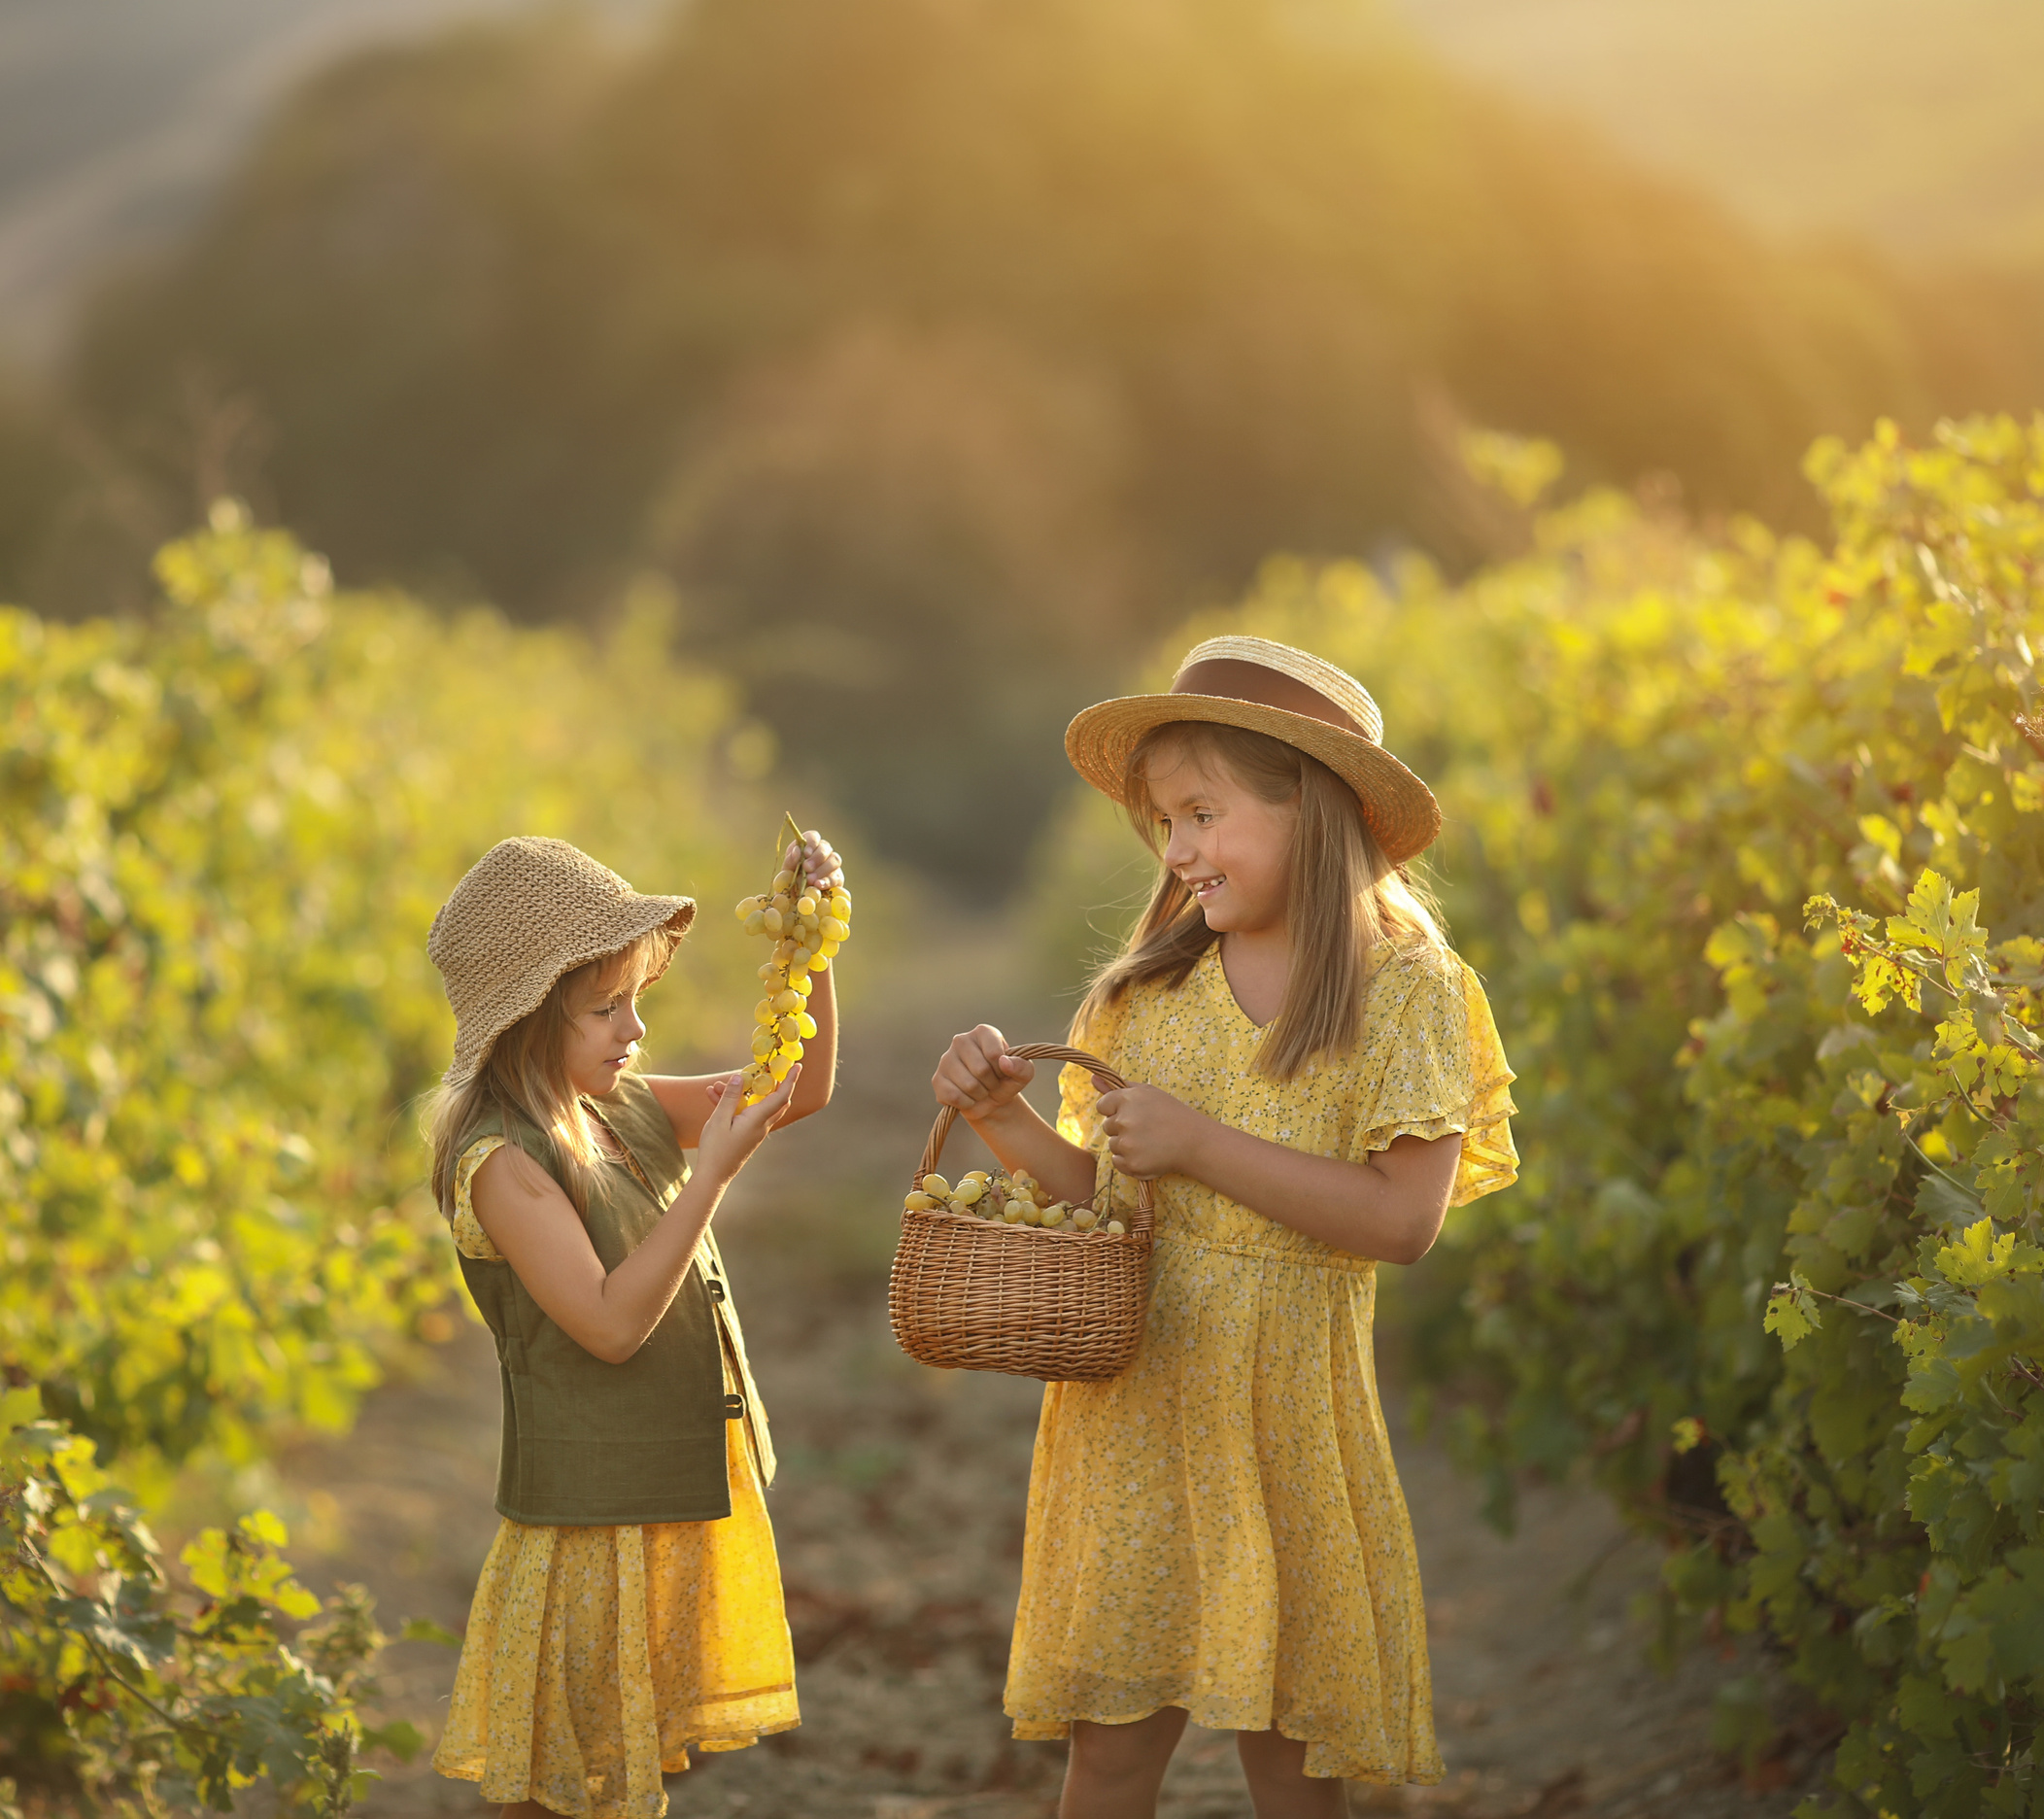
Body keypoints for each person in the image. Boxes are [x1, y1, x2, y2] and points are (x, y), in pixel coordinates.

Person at [932, 636, 1516, 1819]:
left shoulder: (1406, 990)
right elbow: (1107, 1202)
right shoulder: (1141, 998)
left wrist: (1204, 1144)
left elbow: (1404, 1222)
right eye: (1162, 824)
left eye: (1202, 812)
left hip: (1289, 1420)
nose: (1179, 849)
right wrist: (1001, 1125)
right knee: (1105, 1753)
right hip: (1133, 1416)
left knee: (1295, 1760)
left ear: (1316, 809)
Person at [424, 830, 843, 1819]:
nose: (636, 1028)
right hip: (584, 1528)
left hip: (653, 1502)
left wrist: (809, 948)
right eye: (606, 1008)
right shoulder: (502, 1163)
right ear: (527, 1024)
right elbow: (610, 1326)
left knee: (617, 1777)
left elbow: (800, 1086)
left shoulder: (610, 1109)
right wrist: (711, 1180)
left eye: (635, 999)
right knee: (569, 1787)